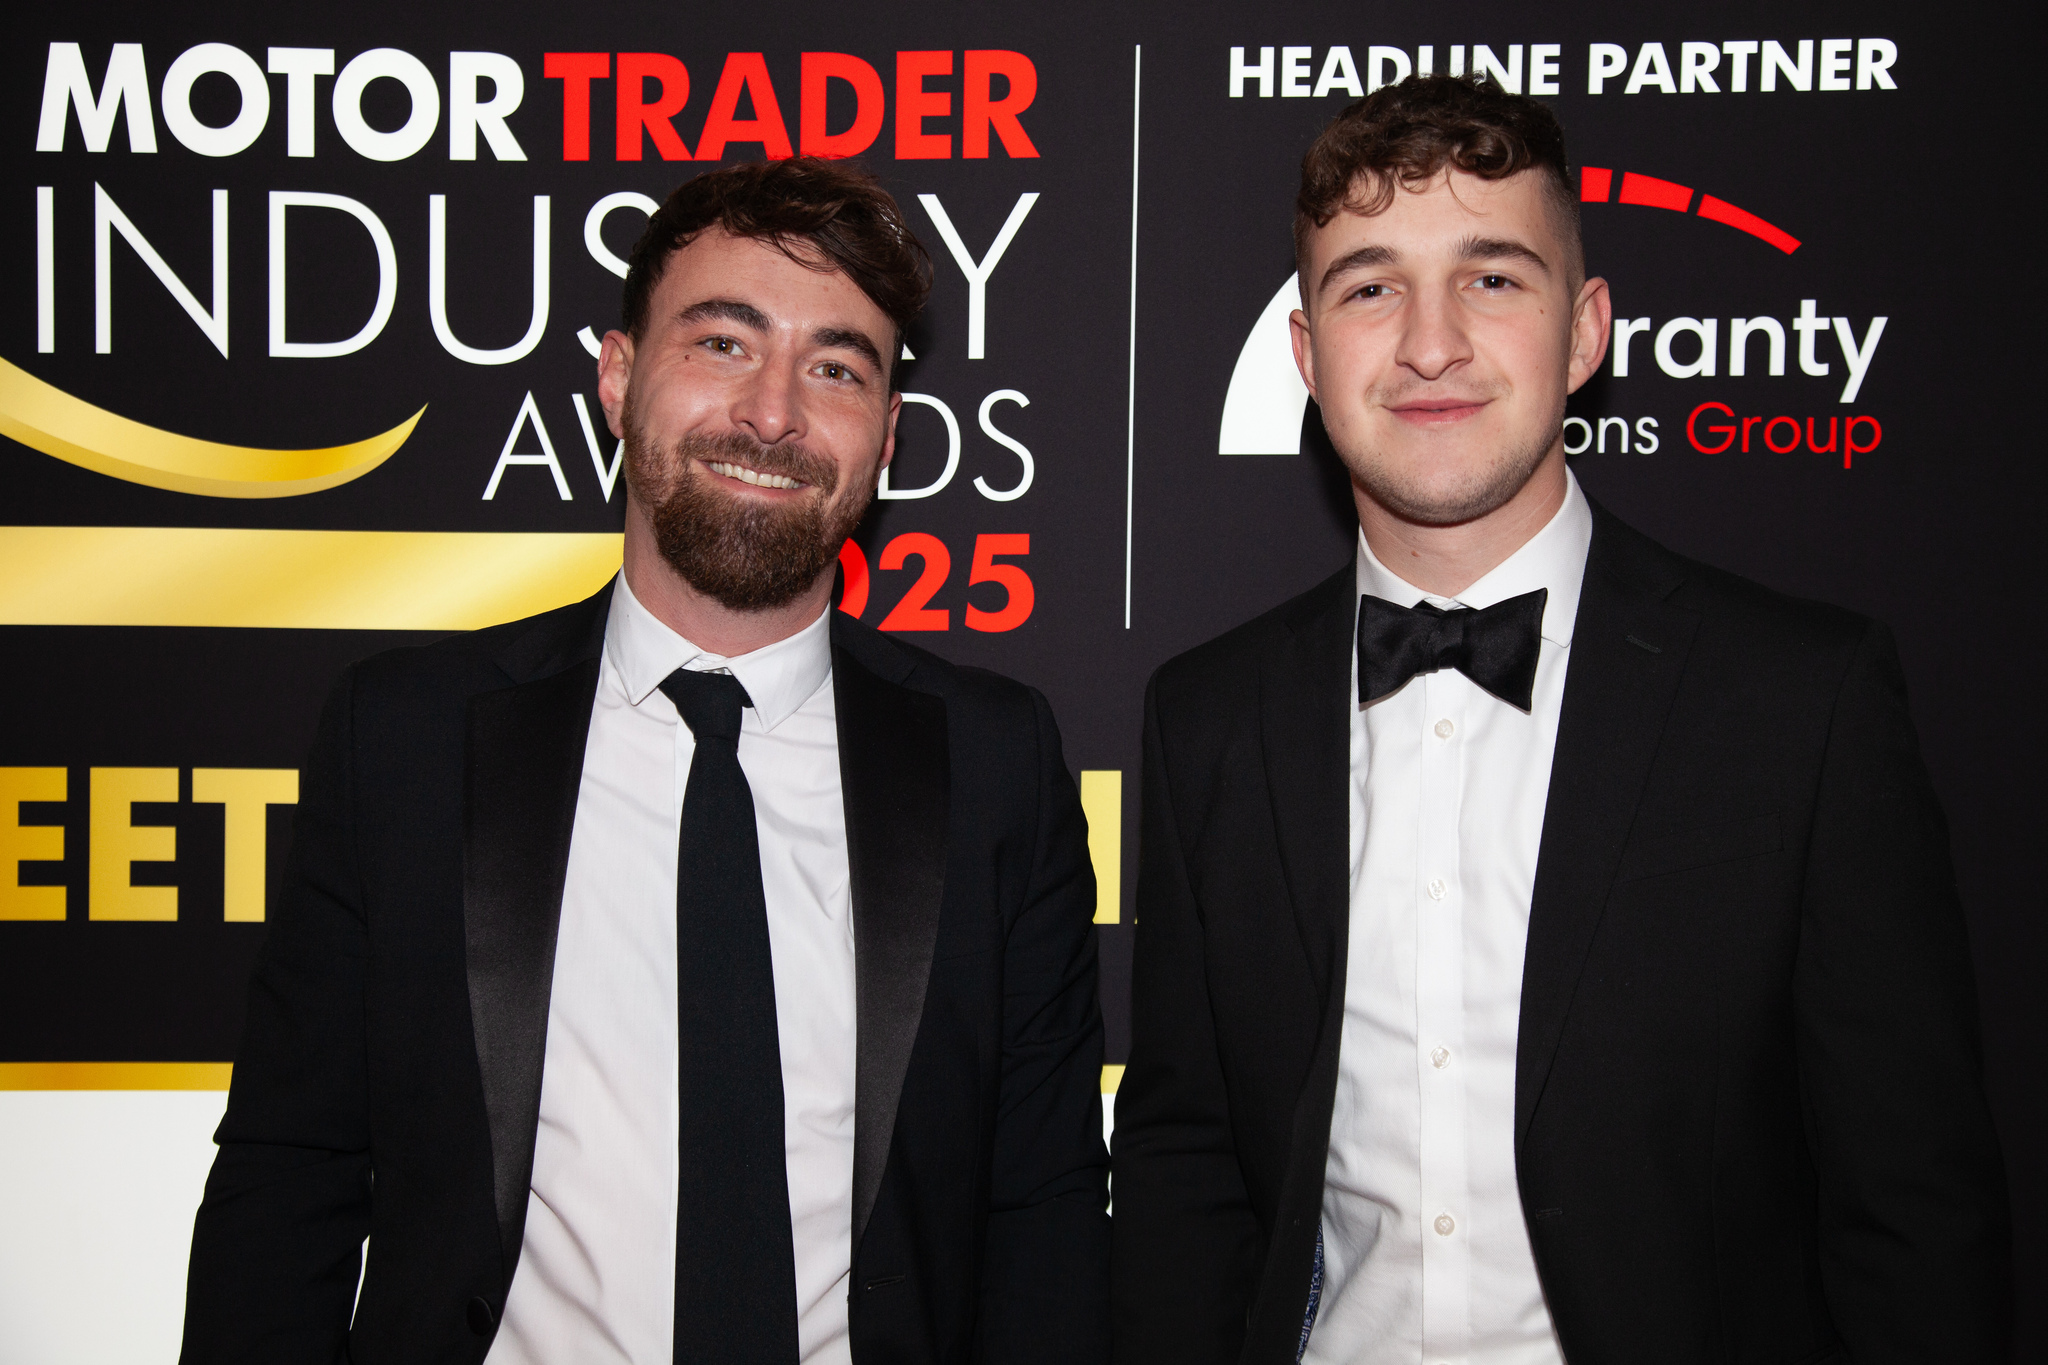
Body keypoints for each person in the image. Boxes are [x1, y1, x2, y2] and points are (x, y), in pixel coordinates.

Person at [1110, 75, 2008, 1365]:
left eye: (1490, 279)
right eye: (1369, 288)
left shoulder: (1800, 698)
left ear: (1583, 334)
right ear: (1306, 357)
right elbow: (1183, 1173)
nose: (1429, 344)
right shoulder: (1207, 717)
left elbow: (1912, 1210)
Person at [181, 159, 1109, 1365]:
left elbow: (1041, 1210)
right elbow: (288, 1175)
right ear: (618, 379)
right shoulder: (405, 738)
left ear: (885, 435)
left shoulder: (994, 762)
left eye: (835, 368)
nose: (771, 413)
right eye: (722, 343)